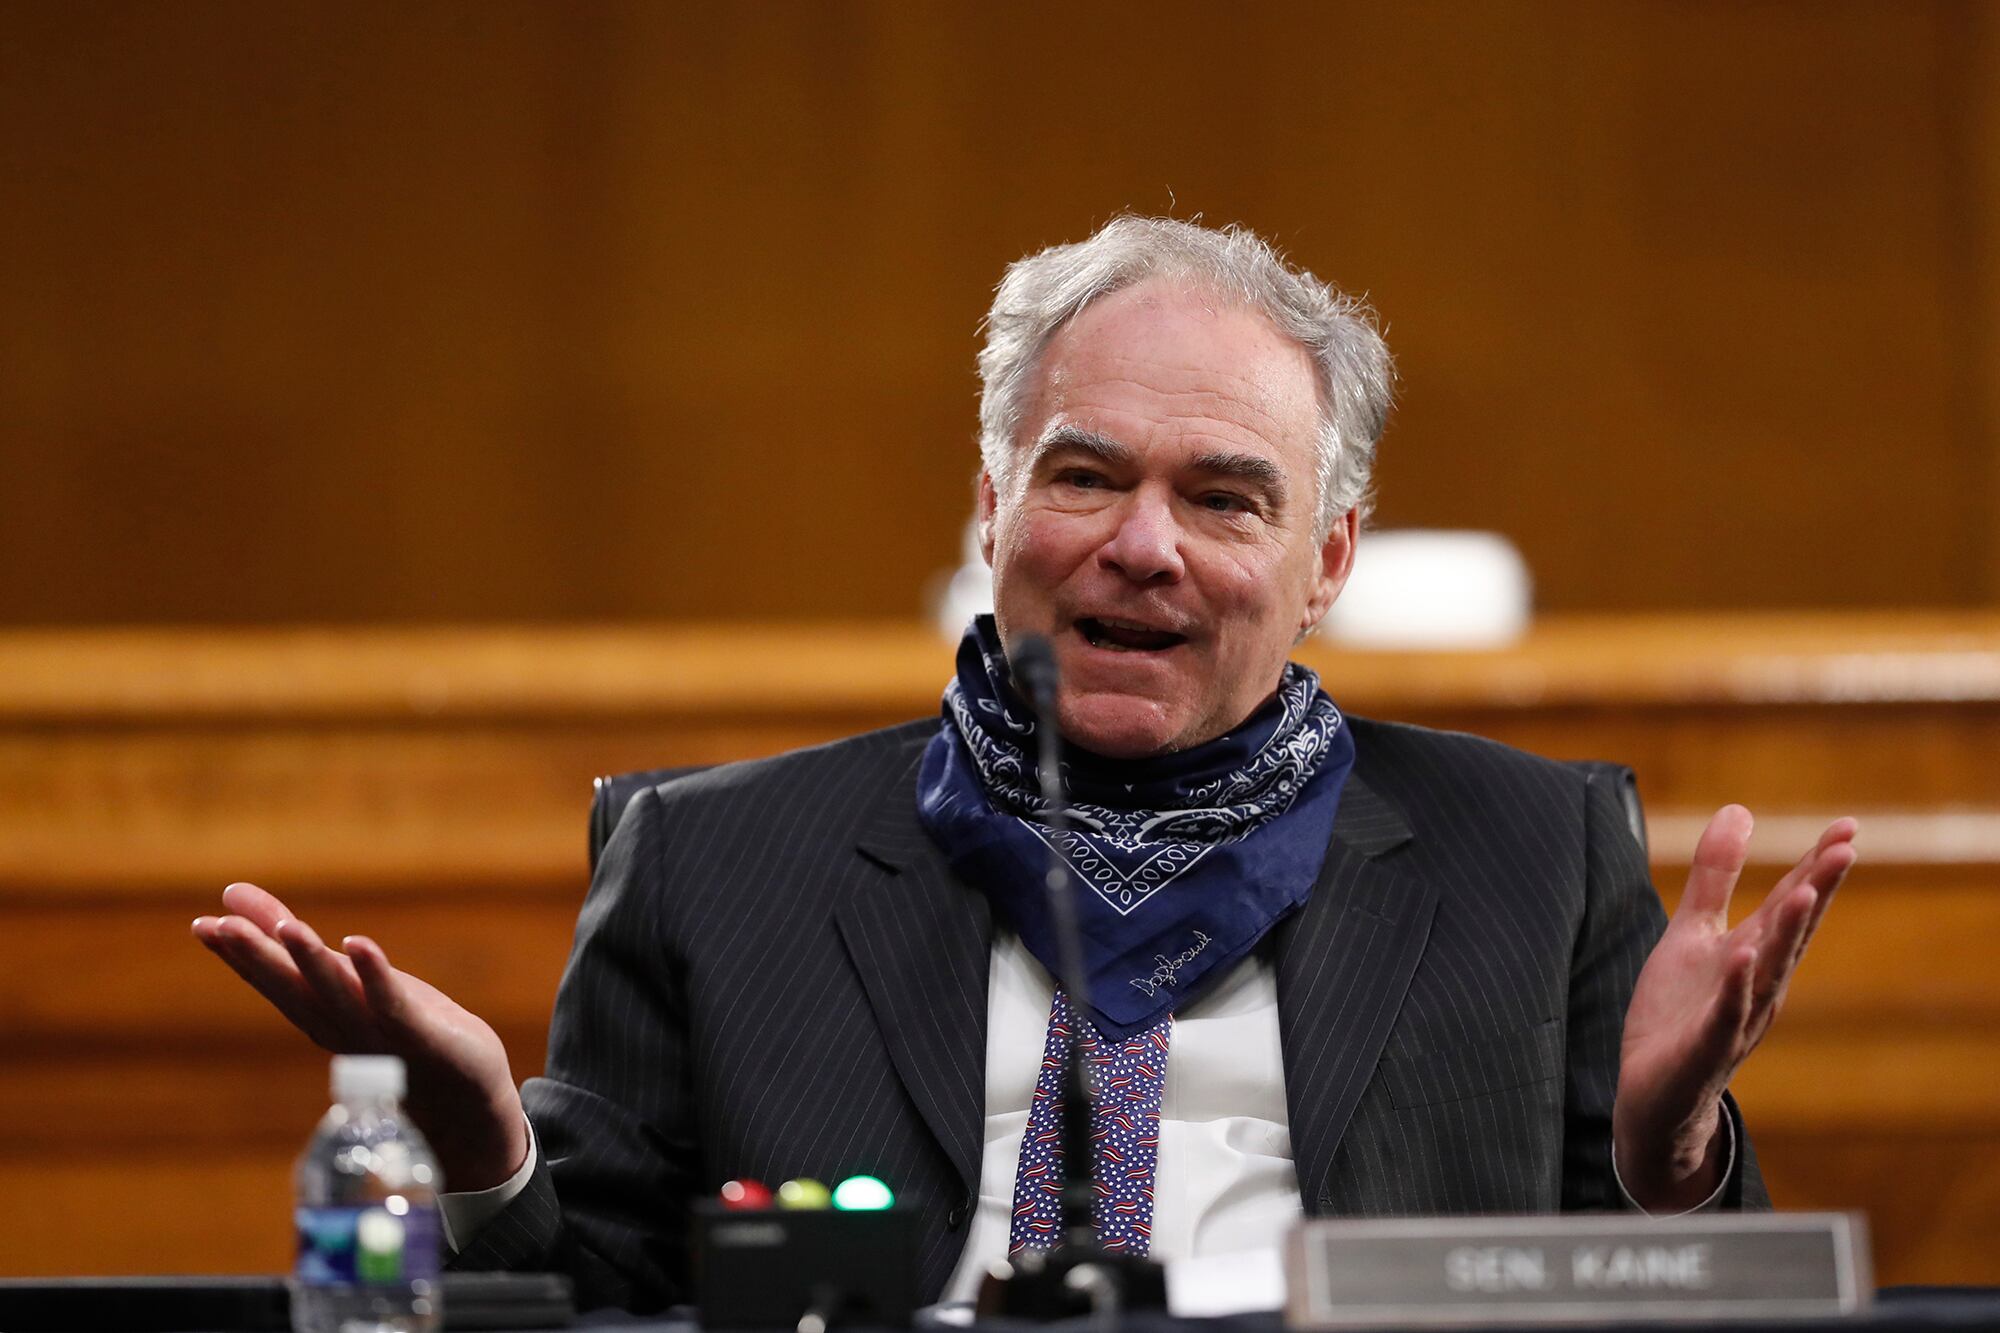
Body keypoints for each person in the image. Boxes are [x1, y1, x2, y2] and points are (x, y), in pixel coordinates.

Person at [194, 216, 1856, 1311]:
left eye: (1224, 496)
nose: (1145, 547)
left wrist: (1670, 1155)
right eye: (1085, 478)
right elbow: (600, 1293)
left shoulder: (1530, 851)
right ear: (993, 508)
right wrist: (487, 1141)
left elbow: (1678, 1294)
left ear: (1328, 557)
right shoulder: (716, 862)